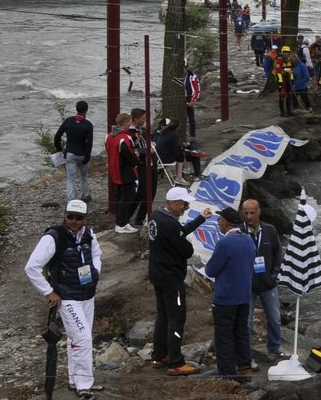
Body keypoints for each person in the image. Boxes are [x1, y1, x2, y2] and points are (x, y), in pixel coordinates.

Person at [24, 198, 102, 399]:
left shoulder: (89, 234)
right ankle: (85, 383)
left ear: (85, 218)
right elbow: (31, 267)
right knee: (83, 338)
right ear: (64, 216)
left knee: (76, 339)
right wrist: (48, 291)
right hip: (67, 297)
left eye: (79, 218)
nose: (74, 221)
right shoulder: (53, 237)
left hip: (87, 294)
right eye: (70, 217)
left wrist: (95, 273)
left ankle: (75, 378)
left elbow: (96, 255)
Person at [147, 186, 211, 374]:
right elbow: (186, 249)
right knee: (176, 318)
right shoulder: (170, 224)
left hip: (157, 274)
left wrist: (200, 218)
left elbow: (179, 232)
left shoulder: (156, 217)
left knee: (163, 316)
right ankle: (175, 361)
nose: (185, 207)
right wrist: (189, 246)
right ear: (172, 203)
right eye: (183, 204)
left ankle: (159, 355)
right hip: (171, 278)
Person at [204, 207, 255, 381]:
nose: (218, 222)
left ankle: (226, 373)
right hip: (244, 295)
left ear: (226, 222)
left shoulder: (224, 243)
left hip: (225, 297)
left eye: (220, 220)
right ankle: (244, 366)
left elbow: (210, 270)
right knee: (241, 331)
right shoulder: (248, 239)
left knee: (224, 335)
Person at [239, 198, 284, 364]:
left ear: (259, 212)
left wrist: (275, 274)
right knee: (247, 321)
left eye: (252, 212)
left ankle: (274, 348)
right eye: (246, 213)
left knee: (274, 318)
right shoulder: (239, 232)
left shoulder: (270, 230)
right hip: (247, 285)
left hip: (268, 283)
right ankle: (246, 353)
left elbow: (278, 253)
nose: (249, 216)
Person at [105, 112, 141, 234]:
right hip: (124, 171)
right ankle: (122, 223)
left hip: (114, 170)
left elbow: (108, 149)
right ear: (126, 123)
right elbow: (129, 156)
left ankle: (119, 221)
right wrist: (137, 160)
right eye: (130, 121)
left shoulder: (109, 136)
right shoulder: (125, 138)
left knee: (119, 196)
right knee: (127, 197)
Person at [53, 100, 93, 205]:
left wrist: (59, 149)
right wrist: (87, 156)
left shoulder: (68, 121)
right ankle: (84, 196)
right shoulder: (88, 125)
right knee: (84, 176)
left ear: (76, 109)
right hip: (83, 153)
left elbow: (57, 137)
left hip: (70, 153)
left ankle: (71, 200)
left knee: (70, 178)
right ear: (86, 110)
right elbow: (89, 143)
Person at [181, 65, 202, 141]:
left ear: (186, 68)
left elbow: (196, 89)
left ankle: (192, 136)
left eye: (183, 68)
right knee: (181, 118)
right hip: (181, 98)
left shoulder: (192, 77)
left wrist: (193, 100)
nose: (182, 70)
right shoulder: (180, 77)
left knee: (191, 118)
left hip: (189, 98)